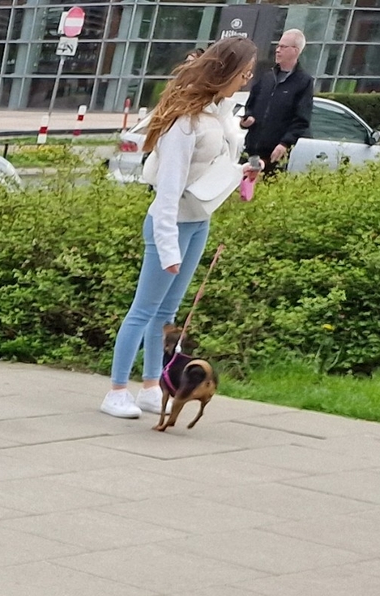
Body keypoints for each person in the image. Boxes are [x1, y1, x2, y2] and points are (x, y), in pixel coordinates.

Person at [102, 37, 256, 420]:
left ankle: (153, 385)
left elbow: (211, 167)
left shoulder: (213, 115)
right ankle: (117, 390)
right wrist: (168, 248)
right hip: (168, 225)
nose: (247, 79)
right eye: (243, 72)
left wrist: (241, 173)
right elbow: (168, 191)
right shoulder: (184, 124)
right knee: (144, 310)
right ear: (226, 71)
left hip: (197, 222)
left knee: (166, 312)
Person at [242, 29, 315, 173]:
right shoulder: (266, 77)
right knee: (244, 188)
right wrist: (246, 118)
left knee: (266, 189)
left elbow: (302, 119)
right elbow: (251, 104)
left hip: (274, 153)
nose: (277, 50)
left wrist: (284, 144)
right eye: (278, 46)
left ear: (295, 50)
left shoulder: (303, 82)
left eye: (283, 47)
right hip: (252, 149)